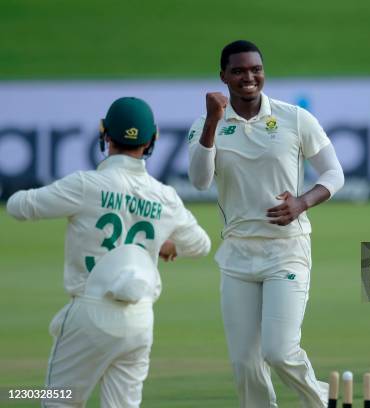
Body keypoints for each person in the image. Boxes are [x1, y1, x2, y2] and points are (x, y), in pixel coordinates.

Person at [7, 97, 211, 407]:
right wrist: (166, 244)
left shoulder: (85, 185)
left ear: (105, 135)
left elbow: (18, 207)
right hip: (139, 319)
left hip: (89, 313)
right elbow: (200, 245)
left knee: (58, 400)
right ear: (152, 140)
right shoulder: (166, 197)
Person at [187, 40, 344, 408]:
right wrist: (212, 120)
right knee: (245, 363)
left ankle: (323, 402)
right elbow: (199, 180)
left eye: (255, 69)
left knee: (279, 351)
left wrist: (302, 203)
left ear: (264, 72)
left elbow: (334, 173)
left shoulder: (294, 118)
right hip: (238, 254)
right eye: (238, 71)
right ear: (223, 75)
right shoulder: (206, 124)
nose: (248, 77)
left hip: (286, 250)